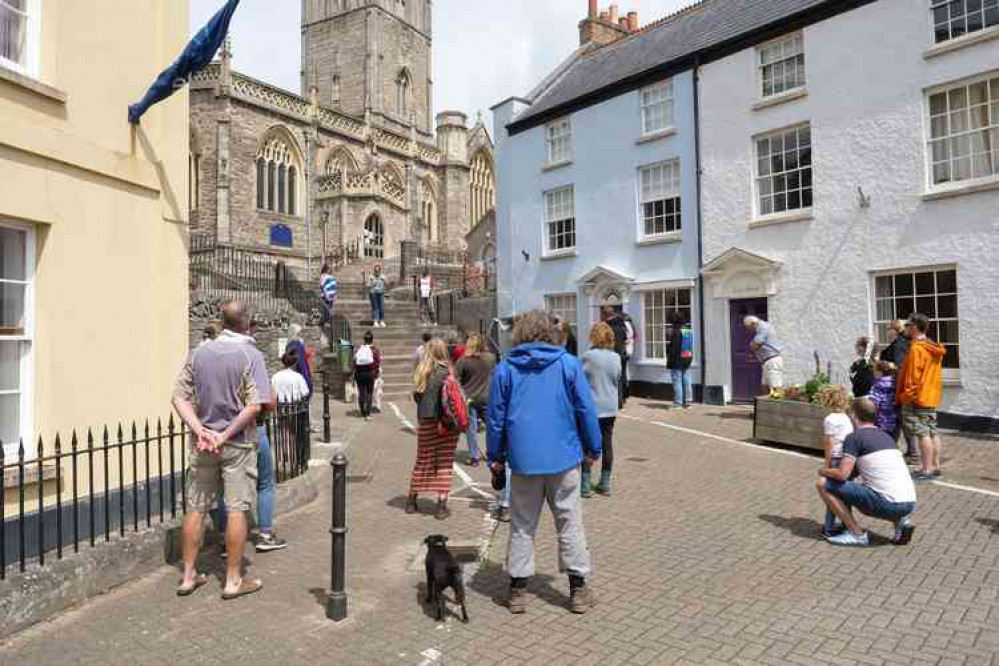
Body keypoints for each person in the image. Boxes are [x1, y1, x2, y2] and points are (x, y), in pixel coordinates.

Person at [487, 310, 602, 615]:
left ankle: (517, 591)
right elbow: (585, 409)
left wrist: (496, 458)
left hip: (524, 460)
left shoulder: (505, 369)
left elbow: (495, 419)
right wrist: (594, 446)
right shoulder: (567, 363)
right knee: (570, 521)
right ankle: (578, 589)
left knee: (523, 525)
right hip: (563, 456)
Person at [172, 300, 270, 600]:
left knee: (195, 508)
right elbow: (256, 405)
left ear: (221, 321)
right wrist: (225, 434)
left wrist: (201, 430)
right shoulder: (250, 354)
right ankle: (232, 580)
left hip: (203, 444)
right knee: (238, 508)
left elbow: (178, 397)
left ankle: (188, 576)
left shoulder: (199, 352)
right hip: (236, 445)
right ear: (246, 322)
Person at [816, 398, 917, 547]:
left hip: (886, 504)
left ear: (854, 416)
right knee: (878, 484)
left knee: (823, 484)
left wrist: (823, 470)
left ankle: (857, 534)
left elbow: (843, 474)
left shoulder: (854, 437)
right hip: (909, 504)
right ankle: (901, 521)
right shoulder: (887, 437)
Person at [408, 339, 458, 520]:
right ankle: (441, 505)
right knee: (445, 461)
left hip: (427, 421)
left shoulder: (422, 373)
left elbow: (418, 397)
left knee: (423, 460)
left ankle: (412, 500)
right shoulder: (449, 372)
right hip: (447, 424)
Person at [896, 313, 946, 482]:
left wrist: (905, 397)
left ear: (915, 327)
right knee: (932, 432)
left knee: (922, 433)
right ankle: (935, 466)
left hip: (917, 398)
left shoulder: (917, 348)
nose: (906, 329)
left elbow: (912, 378)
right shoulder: (932, 346)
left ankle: (927, 469)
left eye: (908, 326)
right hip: (930, 396)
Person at [581, 322, 621, 498]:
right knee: (607, 444)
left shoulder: (588, 356)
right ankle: (605, 482)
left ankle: (584, 482)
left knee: (587, 443)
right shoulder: (616, 357)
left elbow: (580, 379)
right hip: (610, 406)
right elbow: (618, 377)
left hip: (593, 406)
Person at [815, 384, 853, 537]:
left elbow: (829, 444)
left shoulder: (830, 419)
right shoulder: (847, 418)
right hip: (847, 459)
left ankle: (829, 528)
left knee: (832, 495)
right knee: (846, 494)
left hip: (836, 459)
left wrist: (826, 465)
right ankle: (846, 525)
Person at [455, 334, 496, 468]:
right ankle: (494, 454)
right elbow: (494, 374)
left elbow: (455, 380)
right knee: (491, 427)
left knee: (471, 429)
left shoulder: (463, 361)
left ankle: (474, 457)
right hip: (487, 397)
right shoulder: (490, 358)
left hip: (469, 398)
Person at [744, 316, 783, 392]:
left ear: (753, 324)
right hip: (767, 361)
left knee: (775, 387)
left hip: (772, 360)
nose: (748, 330)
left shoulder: (763, 327)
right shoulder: (761, 327)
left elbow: (756, 344)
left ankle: (776, 403)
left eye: (748, 327)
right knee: (765, 386)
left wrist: (752, 345)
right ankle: (765, 403)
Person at [601, 306, 630, 408]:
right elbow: (626, 339)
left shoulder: (606, 327)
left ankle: (617, 401)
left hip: (611, 354)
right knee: (621, 377)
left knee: (611, 378)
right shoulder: (622, 325)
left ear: (605, 315)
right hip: (621, 353)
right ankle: (621, 399)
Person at [666, 312, 694, 409]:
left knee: (677, 380)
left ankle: (678, 403)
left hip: (677, 358)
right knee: (687, 379)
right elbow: (689, 344)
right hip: (687, 356)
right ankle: (689, 401)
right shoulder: (687, 329)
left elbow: (674, 347)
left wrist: (670, 359)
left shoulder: (676, 331)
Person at [869, 360, 900, 442]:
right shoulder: (895, 382)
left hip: (880, 417)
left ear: (879, 372)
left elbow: (874, 401)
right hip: (893, 416)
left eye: (874, 371)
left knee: (879, 440)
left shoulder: (877, 384)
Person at [354, 330, 381, 421]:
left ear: (364, 340)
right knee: (369, 393)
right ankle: (368, 413)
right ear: (372, 340)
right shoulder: (375, 350)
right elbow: (377, 362)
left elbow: (355, 360)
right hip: (370, 373)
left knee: (361, 392)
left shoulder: (360, 349)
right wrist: (376, 373)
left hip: (360, 373)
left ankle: (362, 411)